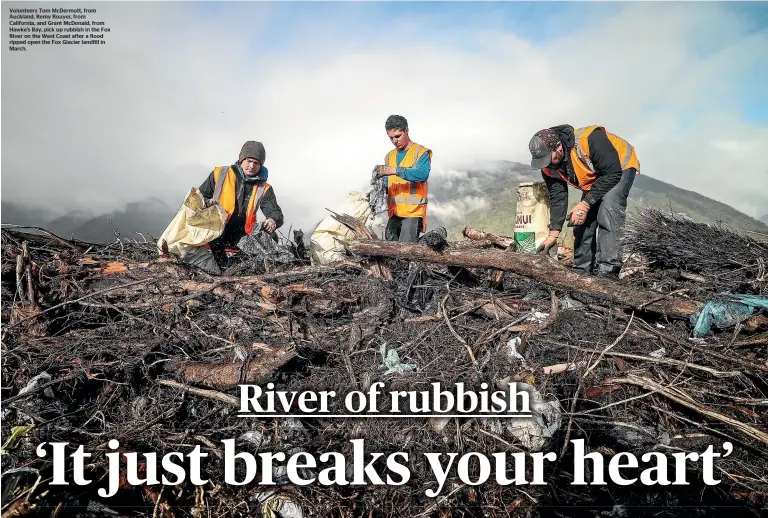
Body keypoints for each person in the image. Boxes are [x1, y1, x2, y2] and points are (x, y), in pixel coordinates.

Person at [528, 125, 640, 278]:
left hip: (619, 167)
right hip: (597, 176)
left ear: (559, 147)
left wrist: (586, 203)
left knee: (608, 211)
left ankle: (608, 272)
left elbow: (612, 174)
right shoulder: (548, 167)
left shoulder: (589, 140)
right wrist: (553, 235)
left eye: (548, 158)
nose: (547, 164)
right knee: (580, 219)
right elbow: (558, 198)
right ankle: (582, 271)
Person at [199, 140, 284, 267]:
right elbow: (199, 197)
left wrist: (273, 220)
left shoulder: (264, 187)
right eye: (248, 161)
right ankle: (223, 266)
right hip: (215, 231)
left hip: (243, 235)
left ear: (261, 165)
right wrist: (207, 204)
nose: (252, 166)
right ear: (241, 160)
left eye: (256, 163)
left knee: (271, 235)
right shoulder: (220, 174)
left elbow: (274, 211)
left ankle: (243, 265)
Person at [375, 115, 432, 242]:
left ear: (406, 131)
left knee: (405, 253)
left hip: (412, 213)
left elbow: (423, 174)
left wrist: (394, 170)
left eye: (398, 136)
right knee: (390, 253)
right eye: (391, 138)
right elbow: (388, 183)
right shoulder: (389, 156)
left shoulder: (420, 152)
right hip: (395, 213)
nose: (395, 141)